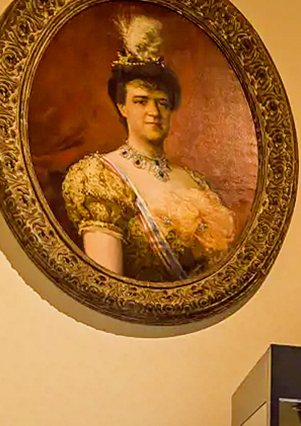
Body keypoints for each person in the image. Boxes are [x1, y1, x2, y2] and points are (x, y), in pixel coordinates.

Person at [61, 15, 235, 281]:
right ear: (122, 107)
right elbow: (109, 287)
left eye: (162, 103)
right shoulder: (101, 177)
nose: (154, 112)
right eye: (141, 101)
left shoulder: (196, 182)